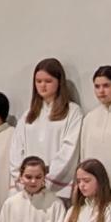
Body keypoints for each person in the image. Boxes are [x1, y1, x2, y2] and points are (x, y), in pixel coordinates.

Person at [15, 59, 83, 195]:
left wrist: (46, 179)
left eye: (48, 81)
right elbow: (16, 149)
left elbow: (69, 148)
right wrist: (25, 177)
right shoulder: (28, 115)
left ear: (59, 82)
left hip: (58, 188)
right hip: (28, 187)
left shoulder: (72, 111)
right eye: (38, 81)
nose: (42, 86)